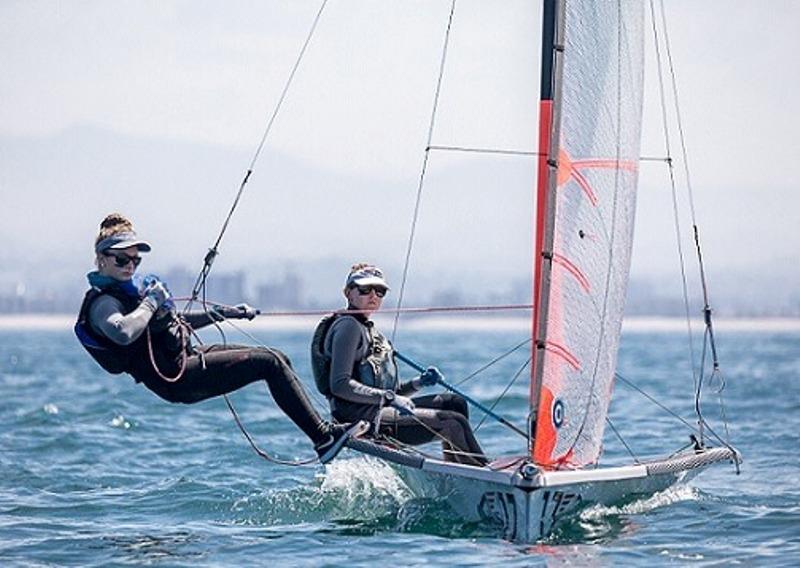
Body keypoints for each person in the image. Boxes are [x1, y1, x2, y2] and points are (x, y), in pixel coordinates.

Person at [74, 213, 367, 463]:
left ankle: (329, 429)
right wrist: (151, 302)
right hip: (176, 380)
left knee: (279, 357)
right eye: (122, 258)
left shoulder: (132, 293)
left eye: (135, 261)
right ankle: (324, 439)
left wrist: (227, 313)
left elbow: (173, 325)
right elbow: (123, 332)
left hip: (185, 359)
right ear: (101, 259)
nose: (130, 266)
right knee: (270, 364)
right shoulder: (104, 304)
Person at [316, 263, 487, 467]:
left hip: (377, 410)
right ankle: (480, 474)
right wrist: (388, 397)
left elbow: (388, 393)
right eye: (365, 289)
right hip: (363, 422)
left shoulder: (366, 328)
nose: (373, 296)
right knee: (452, 423)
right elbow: (340, 385)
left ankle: (458, 468)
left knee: (454, 403)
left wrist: (418, 383)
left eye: (379, 291)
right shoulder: (348, 326)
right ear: (348, 293)